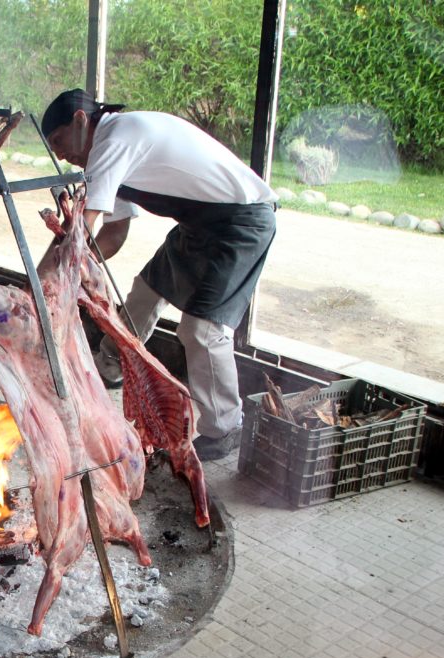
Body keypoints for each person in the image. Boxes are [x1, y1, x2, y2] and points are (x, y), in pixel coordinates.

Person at [41, 88, 278, 461]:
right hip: (198, 225)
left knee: (202, 330)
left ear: (80, 121)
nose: (59, 153)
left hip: (241, 222)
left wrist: (41, 284)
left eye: (57, 141)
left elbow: (82, 228)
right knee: (144, 294)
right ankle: (109, 369)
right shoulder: (108, 149)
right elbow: (114, 233)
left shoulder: (116, 138)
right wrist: (85, 267)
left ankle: (225, 427)